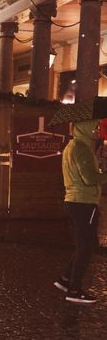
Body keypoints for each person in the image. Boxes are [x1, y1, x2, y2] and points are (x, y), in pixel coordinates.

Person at [54, 119, 107, 304]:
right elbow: (90, 178)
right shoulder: (82, 149)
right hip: (84, 203)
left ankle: (65, 280)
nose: (97, 130)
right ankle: (74, 291)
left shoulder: (74, 145)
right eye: (95, 127)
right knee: (86, 246)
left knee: (85, 243)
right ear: (85, 128)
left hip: (75, 201)